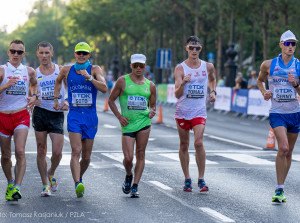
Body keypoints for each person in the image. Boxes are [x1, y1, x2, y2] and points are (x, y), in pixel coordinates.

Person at [53, 42, 107, 198]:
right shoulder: (66, 70)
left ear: (89, 55)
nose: (81, 55)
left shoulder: (95, 69)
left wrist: (89, 77)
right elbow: (57, 81)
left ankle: (80, 177)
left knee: (87, 157)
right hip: (75, 116)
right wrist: (57, 99)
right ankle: (77, 183)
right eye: (79, 53)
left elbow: (103, 88)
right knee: (76, 151)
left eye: (84, 53)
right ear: (75, 54)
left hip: (90, 117)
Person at [257, 30, 300, 204]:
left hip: (295, 113)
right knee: (282, 147)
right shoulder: (268, 64)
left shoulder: (298, 65)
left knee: (288, 151)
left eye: (294, 44)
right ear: (281, 44)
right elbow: (260, 81)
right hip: (277, 113)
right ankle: (279, 187)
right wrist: (264, 92)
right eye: (288, 43)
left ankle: (282, 188)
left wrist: (295, 84)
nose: (291, 47)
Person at [108, 54, 156, 198]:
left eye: (141, 66)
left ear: (145, 66)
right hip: (128, 124)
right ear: (131, 66)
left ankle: (135, 185)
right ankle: (128, 175)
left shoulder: (150, 85)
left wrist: (152, 111)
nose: (138, 68)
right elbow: (111, 100)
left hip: (144, 123)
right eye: (135, 66)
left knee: (140, 154)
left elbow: (152, 105)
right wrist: (119, 116)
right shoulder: (123, 81)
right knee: (128, 158)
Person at [174, 36, 216, 193]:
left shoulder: (208, 66)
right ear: (186, 48)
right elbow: (177, 94)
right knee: (184, 145)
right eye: (191, 47)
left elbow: (212, 79)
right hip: (182, 111)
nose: (194, 51)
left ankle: (201, 178)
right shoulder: (180, 69)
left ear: (201, 49)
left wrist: (212, 91)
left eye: (197, 48)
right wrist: (184, 83)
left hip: (199, 111)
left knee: (198, 143)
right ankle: (187, 178)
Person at [0, 40, 38, 201]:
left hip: (21, 114)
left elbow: (35, 85)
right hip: (3, 116)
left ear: (24, 54)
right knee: (6, 155)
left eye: (19, 52)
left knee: (20, 151)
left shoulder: (28, 71)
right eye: (13, 51)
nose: (16, 54)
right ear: (8, 52)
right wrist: (5, 85)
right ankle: (10, 182)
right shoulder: (2, 71)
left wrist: (34, 96)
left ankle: (17, 186)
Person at [33, 41, 69, 197]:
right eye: (41, 53)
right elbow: (31, 91)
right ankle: (45, 185)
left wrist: (66, 100)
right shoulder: (34, 73)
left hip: (56, 113)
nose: (44, 56)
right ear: (37, 54)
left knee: (57, 152)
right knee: (41, 150)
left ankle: (51, 172)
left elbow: (68, 89)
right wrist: (34, 98)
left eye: (47, 52)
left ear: (52, 53)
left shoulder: (60, 70)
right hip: (40, 112)